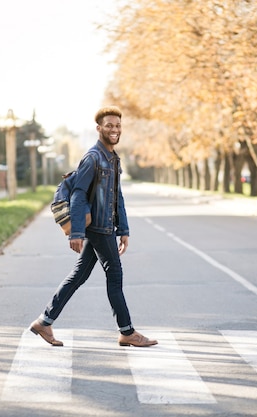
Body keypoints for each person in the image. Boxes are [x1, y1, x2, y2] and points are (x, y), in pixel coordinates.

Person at [29, 106, 158, 348]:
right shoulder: (93, 158)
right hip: (98, 228)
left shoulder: (112, 158)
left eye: (118, 125)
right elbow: (78, 194)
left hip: (105, 227)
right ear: (99, 128)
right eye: (109, 125)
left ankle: (44, 321)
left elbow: (116, 196)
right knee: (115, 275)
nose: (114, 129)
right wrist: (76, 233)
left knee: (79, 275)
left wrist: (124, 230)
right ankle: (127, 331)